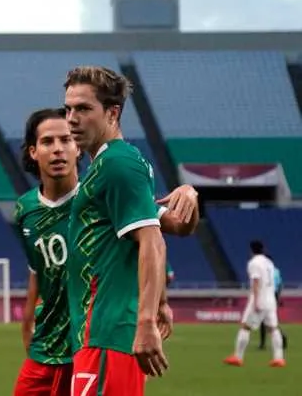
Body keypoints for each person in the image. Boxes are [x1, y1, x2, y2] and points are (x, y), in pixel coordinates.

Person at [62, 66, 199, 395]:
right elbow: (173, 226)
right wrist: (190, 198)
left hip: (108, 334)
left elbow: (151, 241)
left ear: (112, 113)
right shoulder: (108, 165)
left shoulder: (118, 165)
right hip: (98, 334)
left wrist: (146, 321)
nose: (71, 118)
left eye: (83, 108)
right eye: (68, 108)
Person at [12, 108, 80, 396]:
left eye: (66, 140)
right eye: (48, 142)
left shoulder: (102, 198)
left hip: (90, 351)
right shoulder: (25, 209)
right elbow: (37, 275)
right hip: (43, 353)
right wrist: (27, 328)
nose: (58, 150)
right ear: (33, 151)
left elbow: (154, 237)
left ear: (78, 147)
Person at [224, 240, 286, 367]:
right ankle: (279, 358)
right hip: (270, 299)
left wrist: (256, 301)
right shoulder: (269, 262)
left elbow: (256, 281)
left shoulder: (254, 263)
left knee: (245, 327)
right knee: (273, 328)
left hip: (260, 299)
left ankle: (238, 356)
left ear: (251, 250)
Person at [259, 259, 288, 351]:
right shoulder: (276, 271)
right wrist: (277, 298)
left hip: (266, 296)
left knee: (266, 321)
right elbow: (280, 285)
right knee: (268, 320)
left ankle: (265, 343)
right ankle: (280, 338)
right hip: (273, 296)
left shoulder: (264, 271)